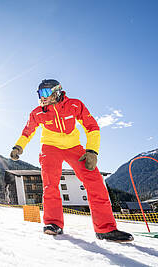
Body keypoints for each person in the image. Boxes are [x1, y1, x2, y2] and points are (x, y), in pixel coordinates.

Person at [10, 79, 133, 242]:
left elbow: (92, 127)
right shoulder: (38, 112)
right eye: (40, 94)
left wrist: (92, 151)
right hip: (50, 148)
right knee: (50, 184)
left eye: (46, 93)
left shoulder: (74, 105)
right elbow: (27, 132)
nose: (43, 98)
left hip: (74, 147)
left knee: (95, 181)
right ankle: (53, 224)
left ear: (57, 91)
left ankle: (105, 229)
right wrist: (18, 147)